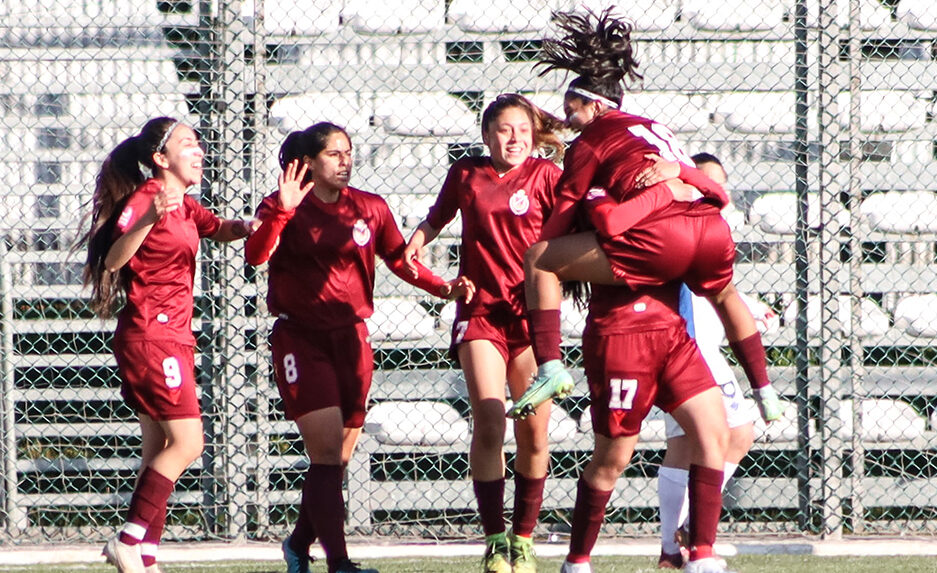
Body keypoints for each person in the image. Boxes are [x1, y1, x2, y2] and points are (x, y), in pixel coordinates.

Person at [508, 9, 782, 433]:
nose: (566, 118)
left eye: (571, 107)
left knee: (541, 259)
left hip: (661, 238)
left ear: (595, 105)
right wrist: (674, 182)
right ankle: (764, 389)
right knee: (727, 297)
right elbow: (715, 192)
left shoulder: (591, 142)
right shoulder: (655, 126)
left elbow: (567, 213)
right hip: (710, 228)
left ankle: (549, 367)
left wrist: (541, 263)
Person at [244, 122, 474, 573]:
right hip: (301, 338)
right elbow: (255, 255)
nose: (345, 161)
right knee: (327, 454)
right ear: (308, 163)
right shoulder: (285, 205)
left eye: (348, 152)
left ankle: (297, 544)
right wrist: (281, 214)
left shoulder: (370, 208)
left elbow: (399, 259)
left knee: (336, 460)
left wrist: (443, 288)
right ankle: (340, 563)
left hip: (352, 339)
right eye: (334, 154)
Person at [80, 117, 255, 573]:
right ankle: (128, 539)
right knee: (189, 442)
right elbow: (116, 258)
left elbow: (220, 227)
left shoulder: (186, 205)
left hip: (170, 337)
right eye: (187, 144)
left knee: (159, 447)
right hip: (152, 336)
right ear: (160, 159)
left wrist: (260, 220)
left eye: (198, 143)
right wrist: (151, 216)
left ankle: (147, 557)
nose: (198, 151)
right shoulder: (147, 199)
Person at [402, 94, 565, 573]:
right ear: (486, 135)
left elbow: (577, 232)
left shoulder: (548, 177)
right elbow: (437, 218)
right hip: (481, 315)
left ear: (533, 134)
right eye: (503, 129)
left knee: (534, 434)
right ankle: (495, 539)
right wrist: (417, 242)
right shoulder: (467, 174)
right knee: (490, 421)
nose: (513, 138)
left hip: (532, 321)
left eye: (521, 129)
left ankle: (524, 538)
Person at [656, 154, 778, 570]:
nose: (713, 191)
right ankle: (683, 537)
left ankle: (678, 540)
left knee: (708, 439)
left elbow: (719, 291)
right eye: (705, 181)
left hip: (696, 346)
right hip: (685, 349)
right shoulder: (679, 222)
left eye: (720, 185)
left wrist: (750, 306)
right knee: (724, 434)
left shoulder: (709, 225)